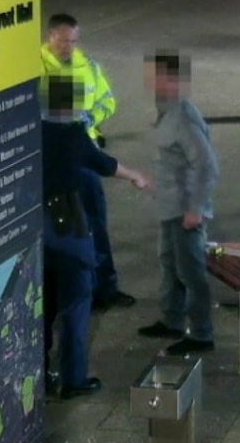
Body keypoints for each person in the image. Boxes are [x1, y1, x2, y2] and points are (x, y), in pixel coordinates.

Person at [40, 74, 150, 398]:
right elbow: (103, 163)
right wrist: (136, 177)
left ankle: (39, 374)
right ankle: (73, 380)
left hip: (33, 227)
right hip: (67, 225)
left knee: (41, 306)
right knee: (75, 303)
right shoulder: (73, 133)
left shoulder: (30, 132)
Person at [40, 13, 136, 310]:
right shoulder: (33, 68)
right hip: (52, 159)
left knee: (95, 224)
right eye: (62, 41)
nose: (68, 47)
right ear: (49, 37)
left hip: (84, 151)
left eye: (73, 41)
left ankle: (104, 287)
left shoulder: (88, 67)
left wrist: (88, 119)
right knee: (59, 229)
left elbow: (107, 101)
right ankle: (62, 291)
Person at [137, 51, 220, 356]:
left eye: (154, 75)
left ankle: (201, 334)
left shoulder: (183, 117)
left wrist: (195, 208)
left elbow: (207, 165)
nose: (148, 81)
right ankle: (172, 319)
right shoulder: (166, 110)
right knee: (170, 263)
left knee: (191, 271)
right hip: (170, 206)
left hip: (186, 211)